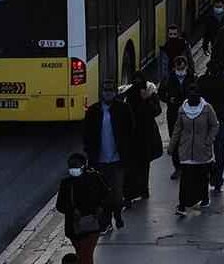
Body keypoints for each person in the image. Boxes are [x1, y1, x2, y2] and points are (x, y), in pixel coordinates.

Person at [81, 80, 133, 233]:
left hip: (117, 160)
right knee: (102, 195)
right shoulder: (93, 111)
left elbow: (130, 130)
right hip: (100, 161)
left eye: (110, 91)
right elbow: (87, 135)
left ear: (115, 93)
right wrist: (90, 154)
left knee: (116, 194)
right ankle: (106, 222)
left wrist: (126, 151)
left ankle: (117, 214)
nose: (108, 93)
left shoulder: (123, 109)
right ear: (101, 93)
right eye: (105, 91)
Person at [168, 84, 220, 216]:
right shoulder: (182, 110)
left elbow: (215, 125)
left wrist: (208, 141)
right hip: (186, 151)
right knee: (185, 179)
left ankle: (204, 197)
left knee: (202, 177)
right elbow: (177, 129)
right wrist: (172, 146)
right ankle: (182, 205)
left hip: (202, 151)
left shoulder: (207, 109)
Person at [55, 152, 111, 264]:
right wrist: (71, 211)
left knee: (85, 256)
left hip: (91, 225)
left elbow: (106, 196)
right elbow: (60, 205)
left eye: (76, 166)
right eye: (71, 166)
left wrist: (100, 208)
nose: (73, 169)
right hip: (74, 228)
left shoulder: (95, 178)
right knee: (82, 255)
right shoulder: (66, 183)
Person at [196, 59, 224, 192]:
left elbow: (195, 99)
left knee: (204, 152)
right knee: (219, 152)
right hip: (219, 121)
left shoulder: (202, 81)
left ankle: (205, 178)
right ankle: (218, 179)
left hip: (204, 122)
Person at [122, 73, 162, 202]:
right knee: (133, 165)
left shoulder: (150, 92)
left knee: (144, 164)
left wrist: (147, 99)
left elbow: (157, 110)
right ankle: (132, 192)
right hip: (133, 135)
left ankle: (143, 189)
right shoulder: (128, 94)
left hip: (146, 135)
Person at [158, 56, 196, 179]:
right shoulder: (168, 78)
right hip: (173, 113)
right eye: (178, 68)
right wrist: (169, 99)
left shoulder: (192, 78)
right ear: (174, 68)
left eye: (182, 68)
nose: (180, 71)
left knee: (188, 140)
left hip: (189, 113)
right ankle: (177, 167)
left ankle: (187, 166)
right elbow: (161, 93)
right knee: (175, 139)